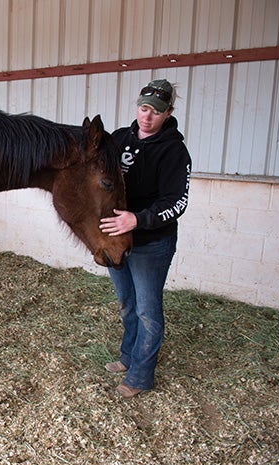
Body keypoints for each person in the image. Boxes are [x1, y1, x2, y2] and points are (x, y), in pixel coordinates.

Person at [99, 79, 191, 398]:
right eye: (143, 108)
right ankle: (128, 356)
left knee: (148, 310)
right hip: (117, 240)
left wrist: (137, 219)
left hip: (152, 243)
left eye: (156, 112)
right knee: (127, 303)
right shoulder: (119, 139)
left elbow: (177, 202)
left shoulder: (174, 151)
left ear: (168, 114)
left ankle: (140, 375)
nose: (147, 116)